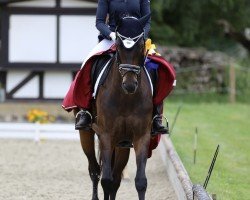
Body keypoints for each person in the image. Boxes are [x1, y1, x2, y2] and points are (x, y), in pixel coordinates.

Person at [62, 0, 175, 136]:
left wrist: (140, 37)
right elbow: (99, 22)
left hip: (136, 39)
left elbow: (147, 22)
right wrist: (112, 35)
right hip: (112, 38)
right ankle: (85, 111)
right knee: (88, 63)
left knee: (157, 67)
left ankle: (156, 116)